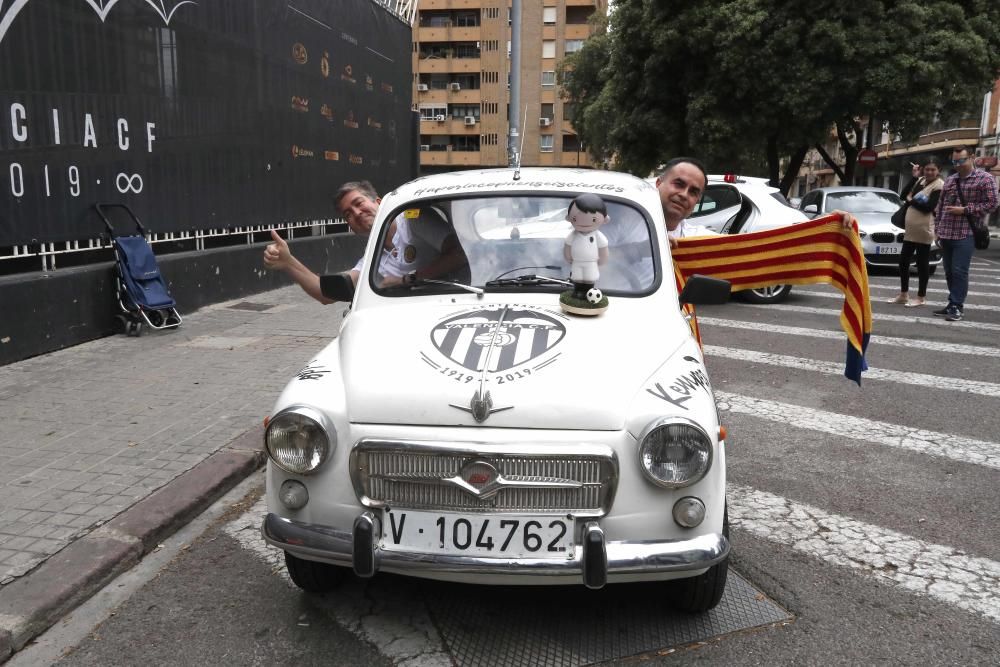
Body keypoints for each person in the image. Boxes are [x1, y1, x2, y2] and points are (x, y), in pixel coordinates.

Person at [263, 181, 466, 303]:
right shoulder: (371, 259)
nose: (357, 213)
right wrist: (288, 263)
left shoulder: (414, 219)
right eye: (348, 214)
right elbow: (326, 294)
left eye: (358, 203)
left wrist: (408, 279)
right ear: (350, 227)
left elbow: (460, 254)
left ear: (378, 202)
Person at [932, 146, 1000, 321]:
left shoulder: (985, 179)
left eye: (961, 160)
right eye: (954, 161)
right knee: (948, 271)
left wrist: (965, 210)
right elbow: (940, 206)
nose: (958, 165)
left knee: (959, 271)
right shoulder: (950, 180)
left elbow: (992, 204)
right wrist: (937, 230)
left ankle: (956, 305)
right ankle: (952, 302)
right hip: (946, 232)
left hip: (966, 233)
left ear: (971, 157)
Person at [888, 159, 944, 307]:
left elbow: (929, 207)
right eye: (927, 169)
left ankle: (920, 297)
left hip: (924, 230)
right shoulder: (919, 180)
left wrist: (911, 200)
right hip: (911, 229)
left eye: (933, 170)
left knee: (922, 264)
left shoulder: (939, 185)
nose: (930, 172)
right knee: (904, 262)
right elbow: (902, 196)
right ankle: (903, 294)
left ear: (938, 170)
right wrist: (913, 177)